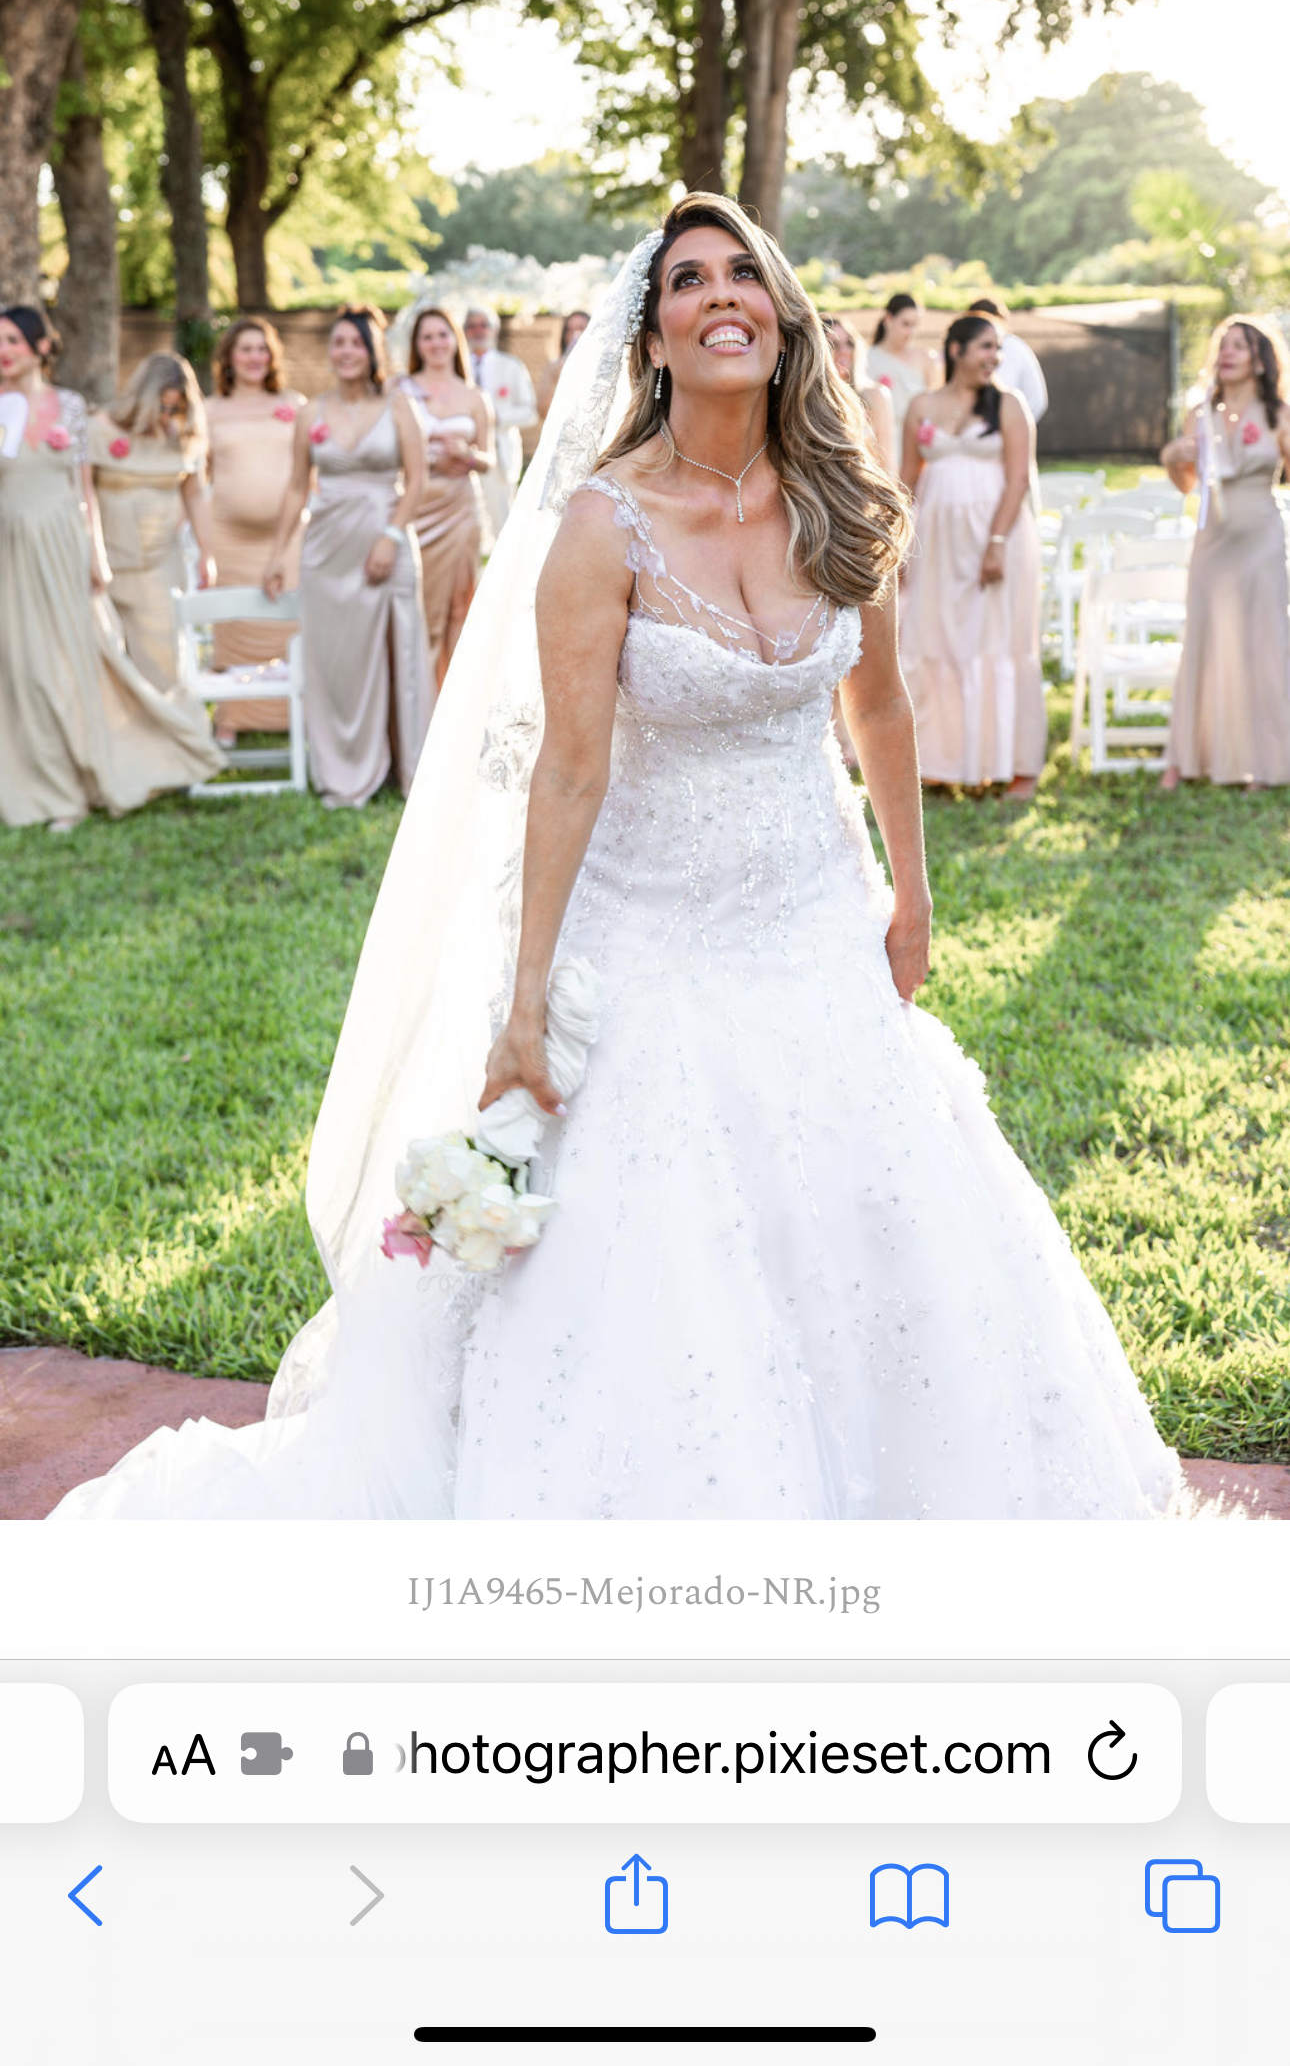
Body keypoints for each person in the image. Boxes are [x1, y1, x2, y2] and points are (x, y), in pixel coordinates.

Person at [50, 207, 1177, 1522]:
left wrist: (910, 894)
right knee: (666, 1257)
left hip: (819, 929)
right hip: (653, 945)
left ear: (778, 314)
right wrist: (526, 998)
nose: (721, 293)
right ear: (648, 342)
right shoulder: (600, 527)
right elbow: (569, 769)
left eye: (742, 271)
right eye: (687, 278)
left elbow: (876, 710)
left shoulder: (836, 494)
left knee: (884, 1222)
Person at [0, 306, 221, 829]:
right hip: (10, 548)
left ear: (39, 347)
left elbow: (84, 492)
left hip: (62, 549)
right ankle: (45, 787)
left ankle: (93, 779)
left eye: (11, 339)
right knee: (22, 669)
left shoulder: (71, 407)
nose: (3, 350)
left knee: (71, 666)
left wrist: (95, 553)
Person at [263, 306, 432, 810]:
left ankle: (408, 769)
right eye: (338, 343)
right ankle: (344, 770)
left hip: (388, 540)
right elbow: (297, 488)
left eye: (356, 343)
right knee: (336, 662)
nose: (346, 352)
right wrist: (277, 554)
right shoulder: (310, 413)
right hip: (327, 551)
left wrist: (390, 536)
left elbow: (418, 480)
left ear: (372, 351)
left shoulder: (400, 405)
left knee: (400, 651)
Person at [899, 311, 1046, 799]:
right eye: (985, 347)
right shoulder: (921, 405)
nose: (994, 358)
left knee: (998, 641)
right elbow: (906, 480)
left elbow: (1019, 477)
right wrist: (898, 545)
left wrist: (997, 543)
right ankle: (939, 763)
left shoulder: (1008, 405)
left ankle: (1013, 765)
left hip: (995, 538)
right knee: (935, 636)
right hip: (936, 543)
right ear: (956, 350)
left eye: (998, 349)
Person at [1160, 315, 1290, 792]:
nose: (1228, 353)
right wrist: (1176, 457)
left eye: (1239, 345)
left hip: (1260, 538)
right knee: (1203, 639)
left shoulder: (1278, 411)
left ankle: (1263, 761)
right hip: (1212, 539)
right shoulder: (1201, 412)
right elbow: (1186, 484)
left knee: (1261, 643)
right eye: (1223, 345)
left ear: (1260, 359)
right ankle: (1187, 759)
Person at [205, 319, 306, 746]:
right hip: (227, 536)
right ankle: (231, 716)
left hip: (286, 536)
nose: (254, 358)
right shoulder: (209, 409)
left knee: (285, 624)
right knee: (235, 621)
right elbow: (195, 477)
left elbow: (310, 472)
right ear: (228, 357)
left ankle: (291, 714)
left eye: (261, 350)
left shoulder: (295, 404)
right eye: (245, 349)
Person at [88, 353, 213, 689]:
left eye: (175, 409)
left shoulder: (182, 438)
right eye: (161, 406)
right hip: (107, 560)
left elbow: (196, 494)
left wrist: (207, 553)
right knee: (105, 660)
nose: (167, 416)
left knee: (162, 660)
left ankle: (166, 734)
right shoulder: (100, 429)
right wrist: (94, 554)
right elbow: (84, 494)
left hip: (160, 562)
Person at [398, 305, 495, 689]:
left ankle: (450, 698)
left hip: (458, 508)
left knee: (459, 603)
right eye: (427, 336)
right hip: (414, 506)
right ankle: (413, 694)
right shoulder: (400, 390)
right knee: (415, 604)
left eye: (442, 335)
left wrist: (466, 455)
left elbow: (489, 460)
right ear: (417, 345)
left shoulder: (474, 396)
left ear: (453, 341)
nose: (436, 343)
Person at [462, 303, 538, 539]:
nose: (478, 331)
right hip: (463, 454)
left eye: (483, 325)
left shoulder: (511, 365)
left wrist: (492, 415)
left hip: (500, 455)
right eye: (472, 326)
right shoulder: (456, 367)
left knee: (502, 522)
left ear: (493, 330)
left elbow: (529, 412)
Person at [823, 313, 897, 475]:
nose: (844, 351)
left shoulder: (875, 395)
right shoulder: (809, 400)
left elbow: (887, 464)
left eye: (848, 343)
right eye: (833, 345)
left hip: (865, 491)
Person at [864, 291, 938, 451]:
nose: (911, 331)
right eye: (906, 324)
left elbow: (935, 406)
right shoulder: (867, 358)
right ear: (888, 320)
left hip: (917, 442)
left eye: (915, 325)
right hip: (881, 443)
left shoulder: (926, 358)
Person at [967, 294, 1049, 425]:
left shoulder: (1015, 347)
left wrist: (1014, 429)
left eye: (997, 348)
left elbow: (1037, 399)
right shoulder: (959, 350)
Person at [536, 309, 591, 424]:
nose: (575, 335)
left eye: (581, 328)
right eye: (569, 330)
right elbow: (541, 411)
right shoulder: (553, 367)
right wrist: (557, 378)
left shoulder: (602, 368)